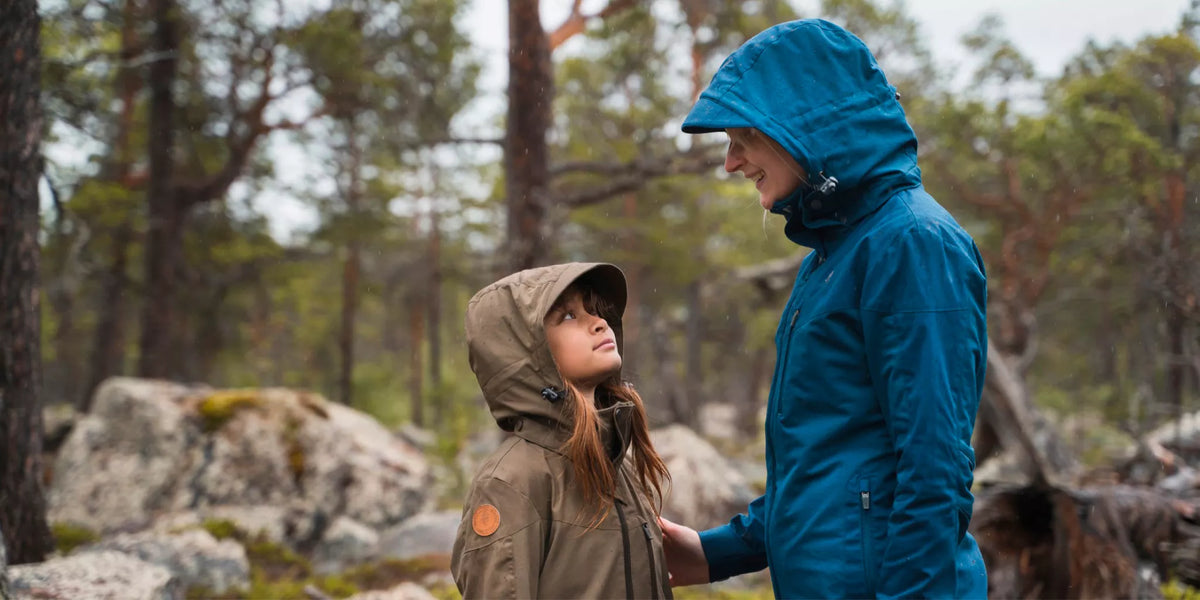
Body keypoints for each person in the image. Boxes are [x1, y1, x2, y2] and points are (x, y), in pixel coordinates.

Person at [658, 18, 990, 599]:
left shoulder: (911, 243)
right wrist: (711, 554)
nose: (730, 162)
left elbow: (934, 472)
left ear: (807, 127)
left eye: (744, 138)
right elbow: (830, 470)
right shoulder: (835, 254)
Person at [451, 262, 673, 599]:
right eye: (568, 316)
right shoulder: (512, 483)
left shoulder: (616, 462)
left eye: (597, 311)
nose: (600, 323)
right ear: (525, 351)